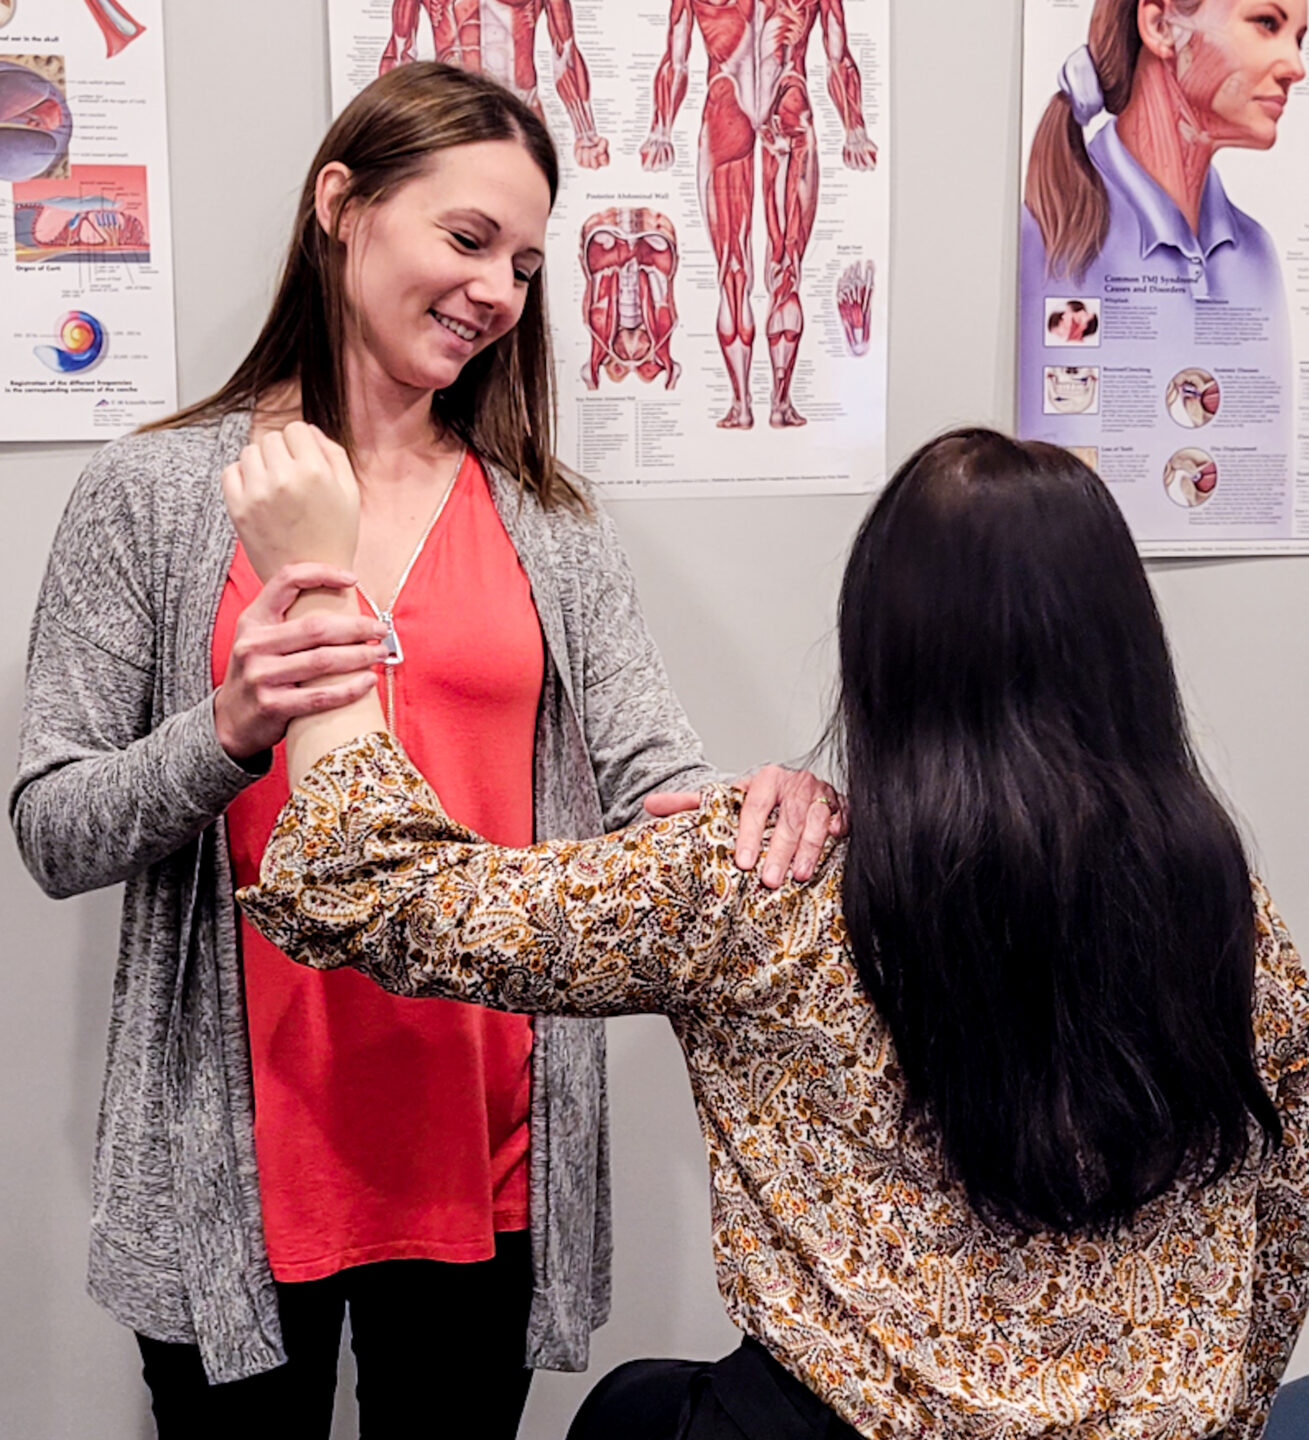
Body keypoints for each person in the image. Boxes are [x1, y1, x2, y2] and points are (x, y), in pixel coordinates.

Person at [8, 62, 840, 1439]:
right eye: (466, 240)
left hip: (486, 1152)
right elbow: (53, 829)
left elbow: (656, 785)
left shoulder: (549, 526)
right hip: (243, 1168)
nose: (499, 292)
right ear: (342, 205)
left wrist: (771, 802)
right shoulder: (153, 494)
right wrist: (228, 725)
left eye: (523, 261)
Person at [229, 424, 1309, 1439]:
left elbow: (365, 884)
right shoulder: (1222, 907)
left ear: (877, 650)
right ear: (1126, 649)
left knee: (629, 1416)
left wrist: (321, 585)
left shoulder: (764, 886)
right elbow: (1281, 1237)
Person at [1018, 0, 1305, 485]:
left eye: (1298, 39)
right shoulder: (1045, 238)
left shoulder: (1257, 256)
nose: (1296, 68)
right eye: (1266, 23)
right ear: (1161, 26)